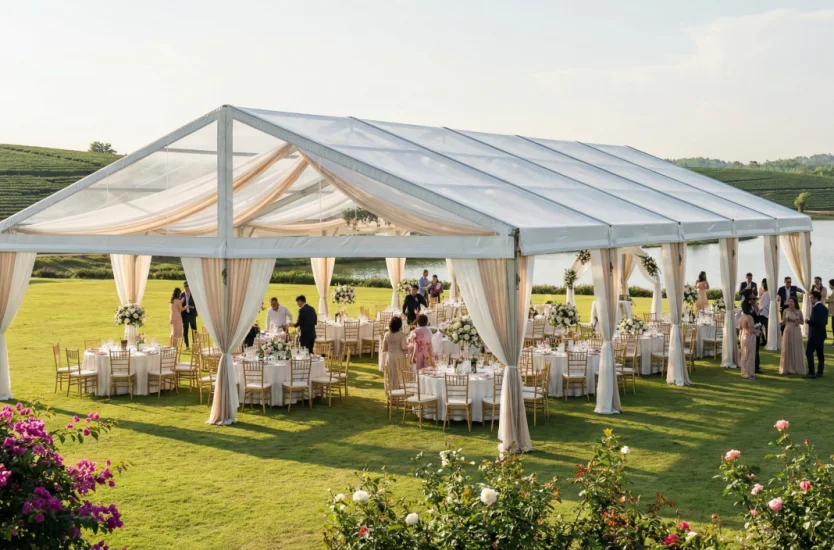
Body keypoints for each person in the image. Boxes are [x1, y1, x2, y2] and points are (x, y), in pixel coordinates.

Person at [805, 290, 828, 378]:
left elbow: (815, 321)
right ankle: (820, 372)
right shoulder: (825, 308)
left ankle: (811, 372)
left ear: (815, 298)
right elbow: (825, 322)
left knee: (809, 353)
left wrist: (808, 321)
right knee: (820, 354)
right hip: (821, 334)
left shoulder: (815, 308)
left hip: (814, 334)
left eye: (811, 298)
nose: (810, 300)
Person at [779, 297, 805, 375]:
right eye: (789, 301)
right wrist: (785, 320)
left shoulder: (799, 311)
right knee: (787, 348)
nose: (790, 303)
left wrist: (798, 321)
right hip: (788, 330)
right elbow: (783, 323)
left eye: (792, 302)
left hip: (796, 331)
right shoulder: (785, 311)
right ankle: (786, 367)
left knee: (796, 347)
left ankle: (796, 367)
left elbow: (802, 322)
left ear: (795, 303)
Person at [382, 316, 408, 390]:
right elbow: (404, 347)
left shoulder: (386, 334)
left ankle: (390, 391)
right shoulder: (402, 335)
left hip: (390, 357)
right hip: (400, 357)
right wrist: (410, 346)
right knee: (399, 376)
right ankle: (399, 391)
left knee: (390, 375)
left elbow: (384, 348)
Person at [738, 299, 757, 380]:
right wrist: (758, 331)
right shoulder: (749, 317)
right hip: (749, 337)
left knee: (744, 355)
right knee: (750, 355)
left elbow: (740, 328)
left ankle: (744, 372)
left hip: (743, 336)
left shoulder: (742, 317)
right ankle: (749, 373)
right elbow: (751, 330)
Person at [181, 282, 198, 350]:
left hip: (192, 315)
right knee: (185, 331)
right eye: (185, 287)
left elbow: (196, 304)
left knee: (194, 330)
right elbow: (180, 305)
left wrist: (189, 306)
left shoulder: (193, 294)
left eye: (188, 286)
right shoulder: (182, 295)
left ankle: (195, 344)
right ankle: (187, 346)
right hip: (185, 315)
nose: (187, 288)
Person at [759, 279, 770, 347]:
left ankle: (764, 340)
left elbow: (764, 305)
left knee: (759, 327)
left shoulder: (766, 294)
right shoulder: (767, 293)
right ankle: (764, 340)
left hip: (764, 313)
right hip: (765, 313)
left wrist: (758, 310)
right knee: (765, 328)